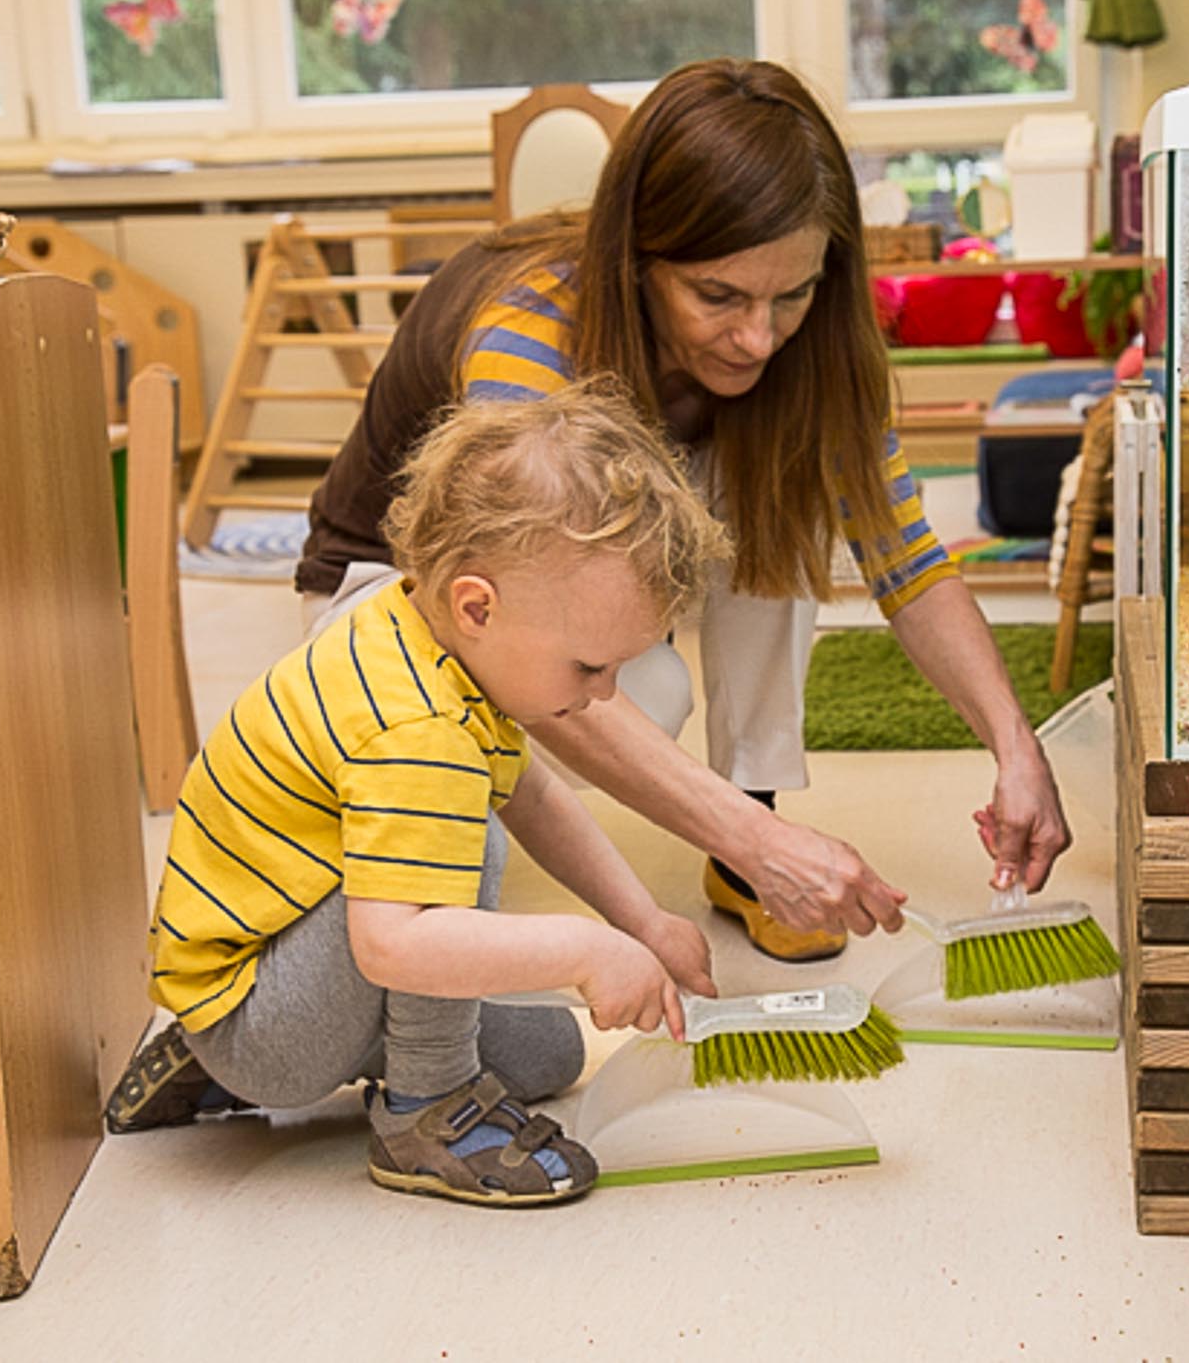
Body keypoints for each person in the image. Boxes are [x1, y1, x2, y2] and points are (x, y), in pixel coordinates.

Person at [301, 58, 1072, 963]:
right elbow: (513, 633)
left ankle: (753, 814)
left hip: (580, 571)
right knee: (647, 696)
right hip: (392, 608)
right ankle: (722, 840)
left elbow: (905, 559)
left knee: (779, 479)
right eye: (718, 296)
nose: (758, 335)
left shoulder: (798, 347)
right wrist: (768, 850)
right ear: (637, 257)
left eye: (793, 294)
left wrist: (1018, 747)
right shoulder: (530, 332)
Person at [106, 382, 734, 1207]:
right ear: (478, 604)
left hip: (260, 978)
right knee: (469, 835)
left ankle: (211, 1054)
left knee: (551, 1054)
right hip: (269, 1022)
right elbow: (395, 948)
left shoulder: (419, 631)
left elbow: (539, 796)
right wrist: (587, 950)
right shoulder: (417, 729)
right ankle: (424, 1112)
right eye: (590, 666)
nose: (606, 694)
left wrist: (641, 922)